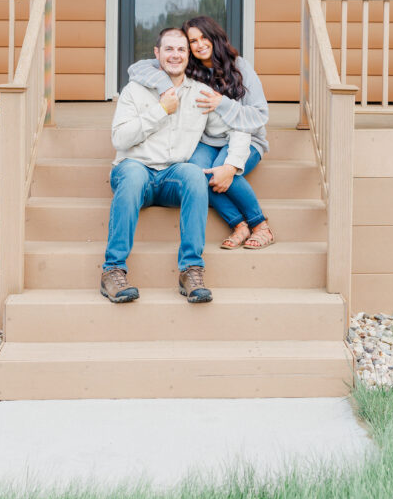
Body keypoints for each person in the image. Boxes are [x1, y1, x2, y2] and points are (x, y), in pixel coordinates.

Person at [101, 26, 251, 305]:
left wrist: (231, 165)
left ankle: (191, 271)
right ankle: (113, 270)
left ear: (188, 56)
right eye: (169, 49)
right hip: (135, 170)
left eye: (181, 49)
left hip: (172, 176)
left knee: (194, 174)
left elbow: (239, 127)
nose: (175, 55)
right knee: (133, 173)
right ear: (157, 53)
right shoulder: (134, 90)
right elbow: (120, 138)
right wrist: (161, 110)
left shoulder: (200, 93)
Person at [128, 15, 273, 250]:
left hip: (247, 138)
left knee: (225, 171)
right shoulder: (191, 68)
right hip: (206, 140)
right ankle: (239, 225)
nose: (200, 44)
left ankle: (260, 225)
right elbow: (137, 68)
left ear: (215, 38)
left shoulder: (240, 67)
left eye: (204, 37)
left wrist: (222, 103)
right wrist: (164, 85)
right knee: (198, 173)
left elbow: (258, 117)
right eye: (193, 41)